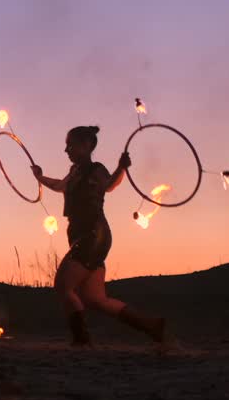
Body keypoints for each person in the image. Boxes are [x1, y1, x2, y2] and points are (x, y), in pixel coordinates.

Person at [32, 125, 167, 346]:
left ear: (86, 146)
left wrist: (121, 168)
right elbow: (58, 185)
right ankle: (151, 325)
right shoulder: (74, 173)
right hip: (85, 237)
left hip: (93, 235)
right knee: (96, 299)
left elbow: (109, 185)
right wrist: (39, 177)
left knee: (64, 286)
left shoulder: (95, 169)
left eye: (70, 145)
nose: (66, 150)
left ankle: (81, 341)